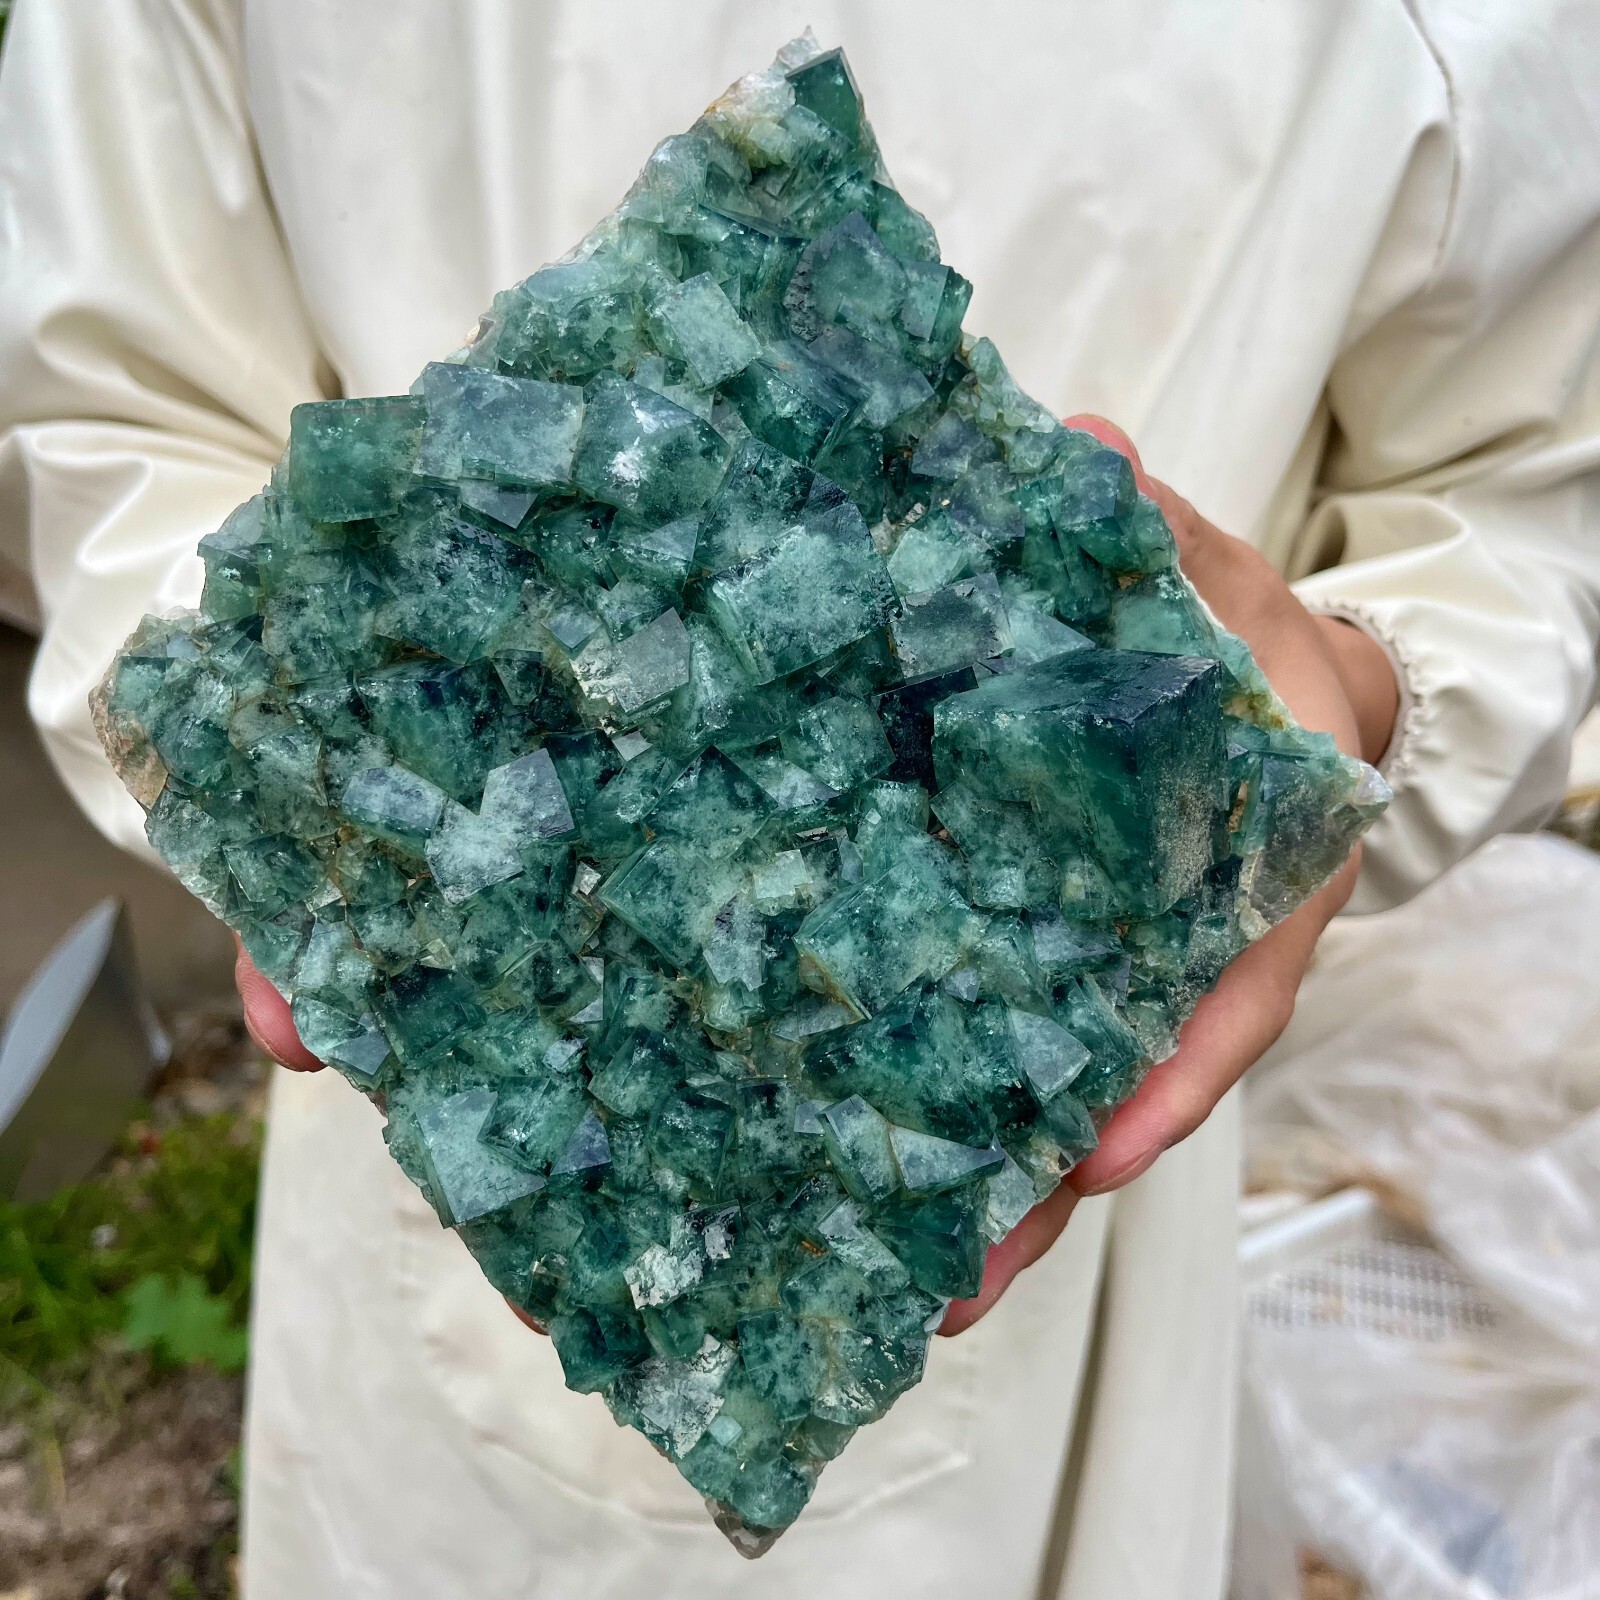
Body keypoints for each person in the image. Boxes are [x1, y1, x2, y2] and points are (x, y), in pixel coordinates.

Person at [1, 3, 1596, 1596]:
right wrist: (291, 764)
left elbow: (1532, 491)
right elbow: (108, 401)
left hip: (1071, 1056)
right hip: (489, 1079)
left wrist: (1350, 696)